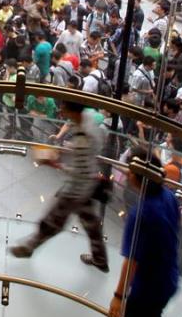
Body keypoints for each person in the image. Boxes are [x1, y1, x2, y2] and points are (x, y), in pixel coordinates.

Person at [10, 100, 108, 271]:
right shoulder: (89, 118)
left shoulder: (84, 138)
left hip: (76, 189)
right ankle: (100, 259)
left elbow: (79, 171)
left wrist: (53, 163)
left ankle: (29, 247)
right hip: (89, 184)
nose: (61, 111)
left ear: (73, 111)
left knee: (52, 221)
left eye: (64, 109)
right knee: (90, 223)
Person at [108, 147, 180, 317]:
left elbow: (131, 261)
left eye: (130, 170)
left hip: (148, 288)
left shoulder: (141, 213)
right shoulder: (168, 196)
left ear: (137, 177)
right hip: (167, 279)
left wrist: (118, 297)